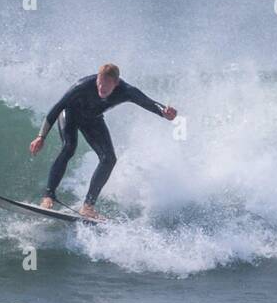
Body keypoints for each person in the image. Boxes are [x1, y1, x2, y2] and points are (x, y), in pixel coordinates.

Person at [28, 63, 177, 220]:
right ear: (97, 78)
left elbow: (147, 101)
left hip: (93, 119)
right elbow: (57, 107)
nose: (101, 89)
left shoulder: (126, 91)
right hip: (70, 114)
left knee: (109, 159)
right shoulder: (83, 85)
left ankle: (88, 207)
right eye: (99, 84)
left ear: (116, 83)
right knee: (69, 147)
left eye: (105, 87)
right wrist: (41, 136)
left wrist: (164, 112)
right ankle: (48, 196)